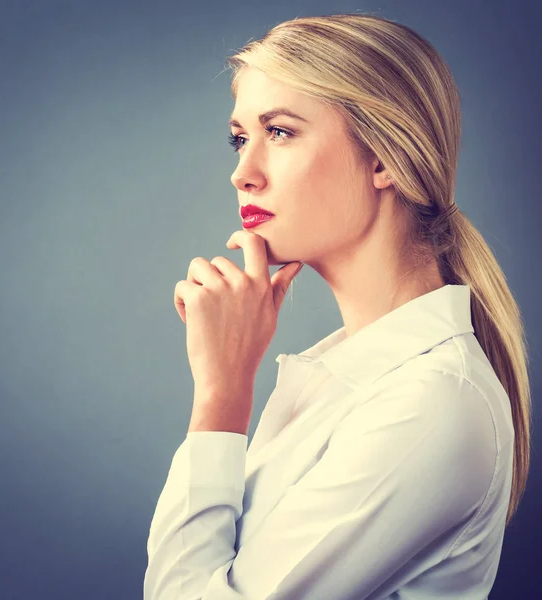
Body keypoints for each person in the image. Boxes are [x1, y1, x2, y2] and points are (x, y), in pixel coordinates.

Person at [144, 12, 531, 599]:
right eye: (240, 138)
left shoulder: (432, 402)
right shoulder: (351, 374)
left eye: (279, 132)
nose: (241, 174)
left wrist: (221, 395)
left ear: (383, 158)